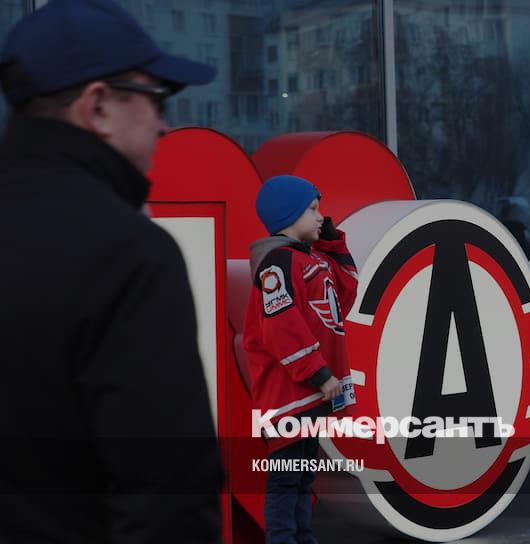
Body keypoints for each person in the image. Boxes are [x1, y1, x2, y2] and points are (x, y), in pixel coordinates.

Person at [0, 1, 223, 543]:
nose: (165, 125)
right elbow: (168, 497)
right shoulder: (128, 254)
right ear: (98, 105)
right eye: (157, 99)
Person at [243, 175, 358, 544]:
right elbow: (281, 325)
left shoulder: (312, 258)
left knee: (304, 475)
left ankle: (303, 538)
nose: (321, 216)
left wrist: (333, 243)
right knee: (286, 477)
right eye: (312, 209)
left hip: (308, 394)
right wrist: (319, 374)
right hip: (287, 394)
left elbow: (345, 292)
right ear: (288, 215)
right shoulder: (276, 264)